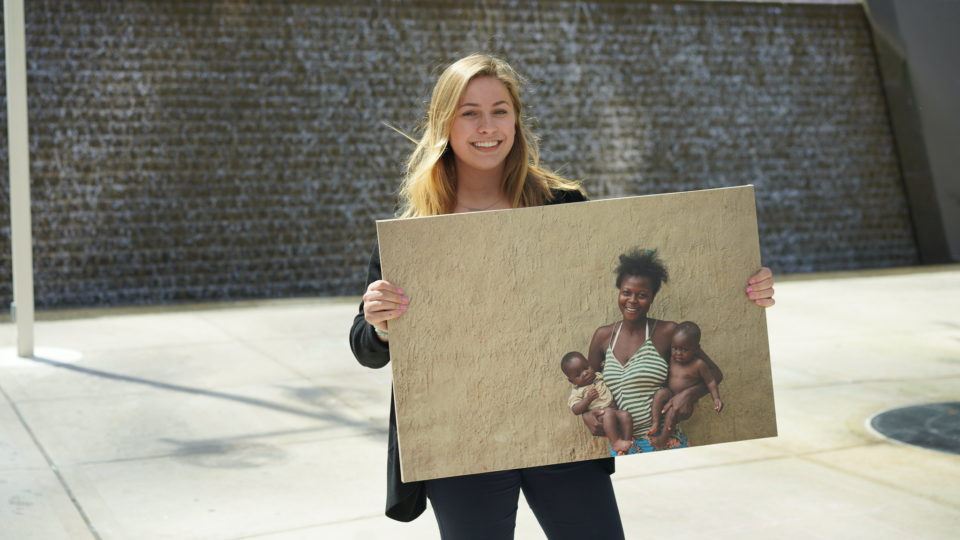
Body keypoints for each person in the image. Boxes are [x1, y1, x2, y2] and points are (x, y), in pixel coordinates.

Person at [349, 53, 776, 539]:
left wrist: (737, 287)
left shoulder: (563, 206)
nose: (487, 126)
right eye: (469, 112)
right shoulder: (415, 232)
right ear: (444, 122)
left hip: (558, 431)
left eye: (500, 110)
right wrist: (381, 323)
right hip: (463, 441)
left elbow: (628, 290)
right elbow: (365, 345)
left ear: (516, 119)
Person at [585, 248, 735, 455]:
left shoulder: (668, 333)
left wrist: (689, 395)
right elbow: (585, 384)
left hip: (665, 442)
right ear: (619, 290)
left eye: (642, 295)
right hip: (622, 447)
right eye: (626, 292)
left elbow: (715, 374)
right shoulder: (603, 336)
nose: (632, 301)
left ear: (653, 297)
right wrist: (586, 416)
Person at [647, 321, 723, 449]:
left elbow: (710, 381)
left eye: (684, 350)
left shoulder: (699, 365)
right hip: (670, 395)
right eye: (675, 348)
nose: (678, 353)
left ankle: (662, 439)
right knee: (661, 393)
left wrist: (716, 398)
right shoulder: (672, 360)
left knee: (672, 412)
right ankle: (655, 423)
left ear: (696, 349)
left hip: (684, 404)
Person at [561, 351, 634, 455]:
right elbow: (575, 409)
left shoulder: (598, 376)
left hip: (613, 412)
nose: (585, 373)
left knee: (625, 415)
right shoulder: (578, 391)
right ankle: (615, 443)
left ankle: (626, 443)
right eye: (578, 374)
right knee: (608, 413)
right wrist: (587, 400)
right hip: (601, 416)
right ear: (572, 381)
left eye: (586, 368)